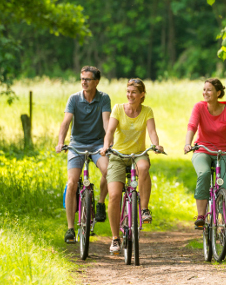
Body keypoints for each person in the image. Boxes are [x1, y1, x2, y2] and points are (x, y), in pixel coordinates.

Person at [100, 78, 165, 255]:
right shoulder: (118, 109)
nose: (130, 95)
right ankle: (115, 238)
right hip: (118, 156)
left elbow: (152, 131)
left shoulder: (147, 111)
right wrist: (107, 146)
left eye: (134, 92)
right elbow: (110, 131)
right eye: (128, 91)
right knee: (113, 195)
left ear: (142, 94)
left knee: (144, 168)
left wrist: (156, 144)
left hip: (138, 154)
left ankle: (144, 209)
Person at [183, 78, 226, 242]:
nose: (205, 93)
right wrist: (187, 144)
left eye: (209, 90)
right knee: (204, 173)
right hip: (202, 150)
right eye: (204, 89)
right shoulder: (199, 107)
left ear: (218, 93)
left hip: (222, 152)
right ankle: (201, 216)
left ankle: (225, 227)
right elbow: (192, 125)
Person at [55, 66, 111, 244]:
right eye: (82, 79)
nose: (84, 82)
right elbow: (65, 122)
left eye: (87, 79)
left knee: (109, 173)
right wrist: (60, 142)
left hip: (97, 144)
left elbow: (107, 122)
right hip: (76, 144)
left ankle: (100, 203)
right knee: (72, 183)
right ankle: (71, 228)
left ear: (96, 82)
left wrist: (107, 144)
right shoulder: (74, 99)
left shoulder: (104, 98)